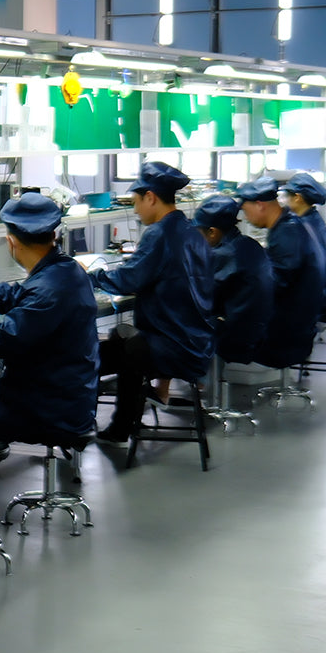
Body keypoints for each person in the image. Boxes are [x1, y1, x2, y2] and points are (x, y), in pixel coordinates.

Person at [0, 192, 98, 443]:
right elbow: (21, 296)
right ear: (53, 235)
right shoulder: (66, 270)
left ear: (10, 242)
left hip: (46, 412)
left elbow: (6, 340)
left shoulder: (48, 288)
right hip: (67, 401)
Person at [89, 162, 214, 447]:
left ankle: (94, 425)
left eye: (135, 202)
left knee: (96, 355)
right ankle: (122, 424)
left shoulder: (159, 234)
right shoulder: (193, 232)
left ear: (151, 197)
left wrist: (93, 278)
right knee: (121, 339)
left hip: (174, 347)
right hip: (197, 342)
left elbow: (129, 280)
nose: (134, 210)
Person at [236, 176, 325, 367]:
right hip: (297, 326)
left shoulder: (287, 233)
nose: (246, 218)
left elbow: (275, 284)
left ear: (260, 205)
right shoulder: (290, 225)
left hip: (284, 335)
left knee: (215, 331)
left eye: (245, 210)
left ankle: (212, 393)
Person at [192, 194, 273, 364]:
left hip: (236, 336)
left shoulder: (224, 254)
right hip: (261, 331)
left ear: (212, 233)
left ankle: (163, 387)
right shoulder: (250, 245)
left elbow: (202, 299)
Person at [280, 172, 326, 321]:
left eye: (287, 196)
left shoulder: (302, 227)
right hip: (325, 299)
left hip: (314, 305)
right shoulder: (313, 220)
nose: (284, 201)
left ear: (297, 198)